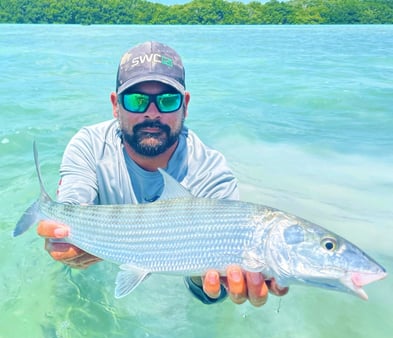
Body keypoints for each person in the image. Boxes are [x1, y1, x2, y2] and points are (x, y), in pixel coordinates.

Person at [37, 41, 288, 306]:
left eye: (167, 100)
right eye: (137, 100)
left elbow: (209, 292)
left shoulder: (212, 173)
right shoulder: (89, 144)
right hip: (91, 283)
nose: (152, 113)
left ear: (185, 105)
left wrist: (207, 283)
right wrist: (62, 241)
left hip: (168, 302)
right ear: (115, 105)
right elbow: (71, 207)